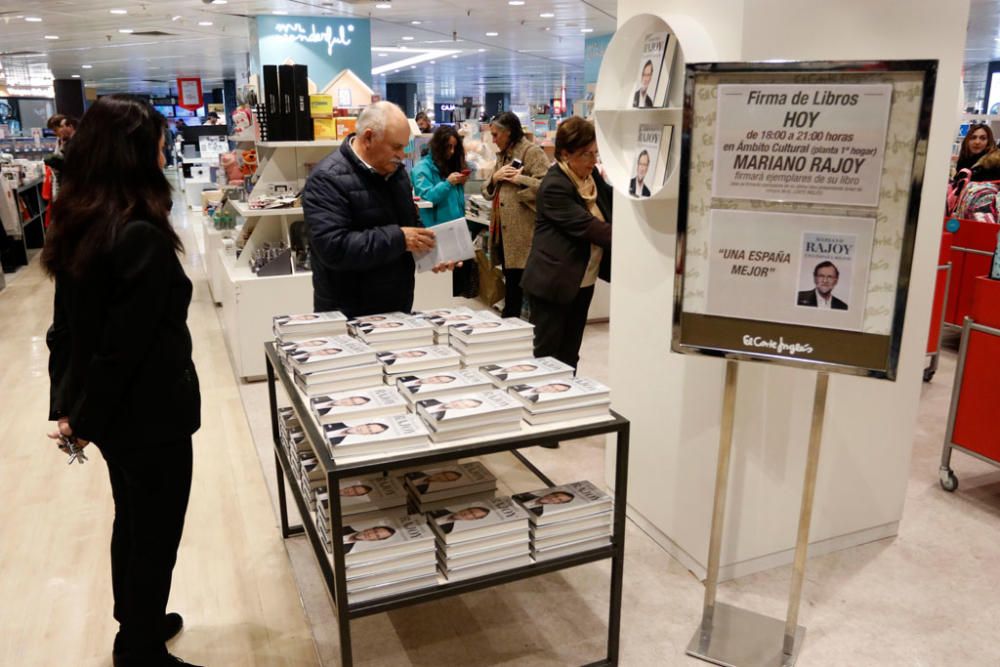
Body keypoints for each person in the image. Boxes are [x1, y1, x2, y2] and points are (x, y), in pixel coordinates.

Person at [42, 95, 202, 667]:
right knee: (154, 530)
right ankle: (139, 648)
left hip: (119, 418)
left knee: (133, 517)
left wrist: (68, 407)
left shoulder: (82, 217)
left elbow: (66, 329)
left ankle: (138, 619)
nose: (165, 154)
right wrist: (81, 420)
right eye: (158, 145)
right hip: (148, 415)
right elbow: (120, 350)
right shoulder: (138, 233)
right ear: (134, 154)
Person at [302, 101, 459, 317]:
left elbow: (408, 223)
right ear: (368, 138)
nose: (402, 155)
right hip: (347, 311)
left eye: (404, 147)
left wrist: (430, 250)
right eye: (396, 147)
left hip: (397, 305)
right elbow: (333, 247)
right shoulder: (326, 179)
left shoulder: (397, 173)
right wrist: (400, 239)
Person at [521, 116, 612, 371]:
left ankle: (567, 403)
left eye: (595, 153)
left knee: (571, 353)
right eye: (586, 154)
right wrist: (630, 241)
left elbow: (613, 204)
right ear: (565, 154)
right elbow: (590, 228)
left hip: (583, 281)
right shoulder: (554, 186)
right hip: (553, 284)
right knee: (549, 357)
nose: (593, 161)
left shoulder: (591, 178)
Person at [482, 111, 550, 318]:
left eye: (496, 135)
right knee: (511, 284)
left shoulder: (532, 152)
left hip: (524, 236)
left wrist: (521, 180)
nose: (493, 141)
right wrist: (495, 178)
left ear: (509, 132)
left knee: (526, 288)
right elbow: (486, 191)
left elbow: (547, 188)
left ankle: (530, 330)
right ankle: (511, 324)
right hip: (504, 235)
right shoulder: (503, 155)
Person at [411, 125, 469, 227]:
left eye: (454, 147)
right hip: (435, 229)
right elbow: (427, 197)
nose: (452, 151)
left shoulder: (448, 164)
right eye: (448, 146)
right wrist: (448, 183)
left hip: (455, 226)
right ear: (439, 146)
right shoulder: (421, 168)